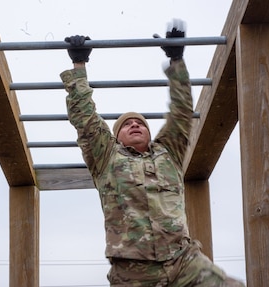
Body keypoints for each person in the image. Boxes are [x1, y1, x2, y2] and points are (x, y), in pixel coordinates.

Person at [60, 19, 245, 287]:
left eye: (140, 123)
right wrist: (79, 66)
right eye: (127, 124)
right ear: (116, 136)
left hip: (183, 261)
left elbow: (181, 113)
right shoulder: (108, 157)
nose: (135, 124)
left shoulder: (168, 152)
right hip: (134, 270)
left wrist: (176, 60)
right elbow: (85, 118)